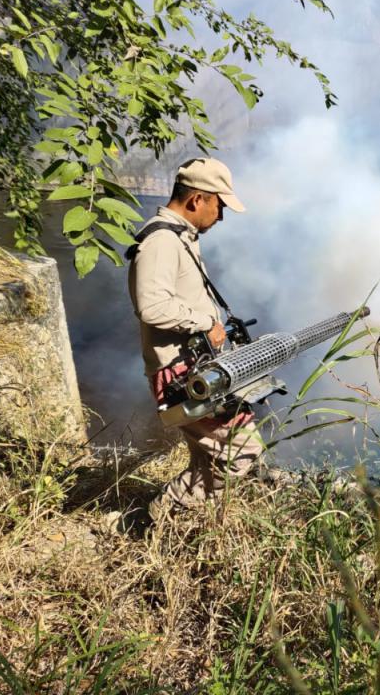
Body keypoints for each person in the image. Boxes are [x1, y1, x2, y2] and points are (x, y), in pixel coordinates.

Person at [127, 157, 264, 517]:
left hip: (194, 366)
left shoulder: (180, 236)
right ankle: (156, 518)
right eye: (220, 207)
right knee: (241, 453)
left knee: (227, 442)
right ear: (196, 200)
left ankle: (190, 518)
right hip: (178, 373)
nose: (221, 217)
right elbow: (152, 307)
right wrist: (205, 321)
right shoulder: (160, 242)